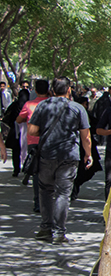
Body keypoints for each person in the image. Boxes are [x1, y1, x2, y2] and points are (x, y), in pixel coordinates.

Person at [28, 77, 92, 244]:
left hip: (46, 155)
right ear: (69, 89)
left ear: (52, 90)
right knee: (63, 194)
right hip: (69, 157)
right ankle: (59, 232)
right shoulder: (78, 108)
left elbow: (32, 130)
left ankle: (45, 228)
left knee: (45, 191)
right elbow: (86, 137)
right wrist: (88, 154)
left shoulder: (43, 106)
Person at [17, 79, 50, 212]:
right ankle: (48, 202)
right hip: (50, 142)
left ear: (35, 90)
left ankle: (38, 203)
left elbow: (19, 119)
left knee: (36, 173)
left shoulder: (29, 104)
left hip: (33, 142)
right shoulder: (51, 104)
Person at [71, 96, 102, 201]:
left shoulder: (88, 116)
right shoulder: (75, 115)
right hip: (78, 145)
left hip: (86, 146)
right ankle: (73, 188)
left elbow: (95, 125)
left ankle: (75, 185)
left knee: (89, 170)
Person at [3, 88, 29, 177]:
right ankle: (27, 169)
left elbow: (7, 116)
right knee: (28, 150)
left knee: (16, 151)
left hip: (15, 131)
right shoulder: (30, 105)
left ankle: (16, 169)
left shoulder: (14, 105)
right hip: (28, 131)